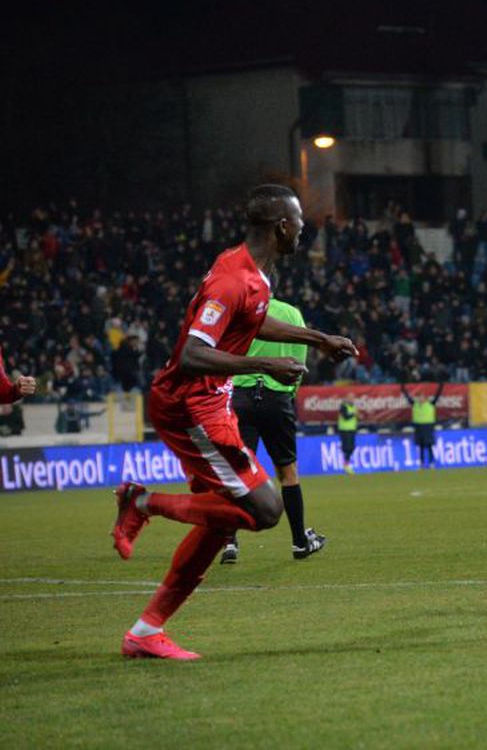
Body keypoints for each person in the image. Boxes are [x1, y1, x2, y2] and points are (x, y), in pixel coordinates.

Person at [108, 184, 356, 659]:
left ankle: (145, 631)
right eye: (299, 221)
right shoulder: (233, 279)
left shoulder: (253, 275)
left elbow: (253, 321)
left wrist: (317, 338)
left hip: (211, 404)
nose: (303, 229)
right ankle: (141, 501)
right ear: (281, 226)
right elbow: (192, 354)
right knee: (264, 510)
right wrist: (265, 364)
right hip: (190, 407)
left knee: (224, 520)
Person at [220, 298, 326, 565]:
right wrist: (289, 393)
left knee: (239, 472)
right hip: (276, 397)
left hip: (240, 397)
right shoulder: (291, 313)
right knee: (288, 473)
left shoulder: (238, 312)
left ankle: (229, 542)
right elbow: (299, 359)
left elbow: (224, 353)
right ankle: (299, 542)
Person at [403, 381, 444, 468]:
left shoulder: (430, 404)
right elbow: (407, 397)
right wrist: (403, 388)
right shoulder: (415, 404)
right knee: (421, 446)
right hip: (418, 427)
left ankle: (431, 462)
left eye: (421, 397)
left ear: (425, 398)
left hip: (428, 427)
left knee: (429, 446)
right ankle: (421, 463)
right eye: (419, 397)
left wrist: (441, 385)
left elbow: (437, 395)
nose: (420, 399)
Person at [338, 397, 358, 474]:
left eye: (353, 398)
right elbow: (345, 417)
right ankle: (346, 464)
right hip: (344, 429)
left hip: (352, 429)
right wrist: (353, 414)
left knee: (352, 447)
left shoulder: (354, 407)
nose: (352, 400)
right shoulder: (343, 407)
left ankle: (346, 462)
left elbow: (355, 417)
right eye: (350, 398)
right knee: (347, 447)